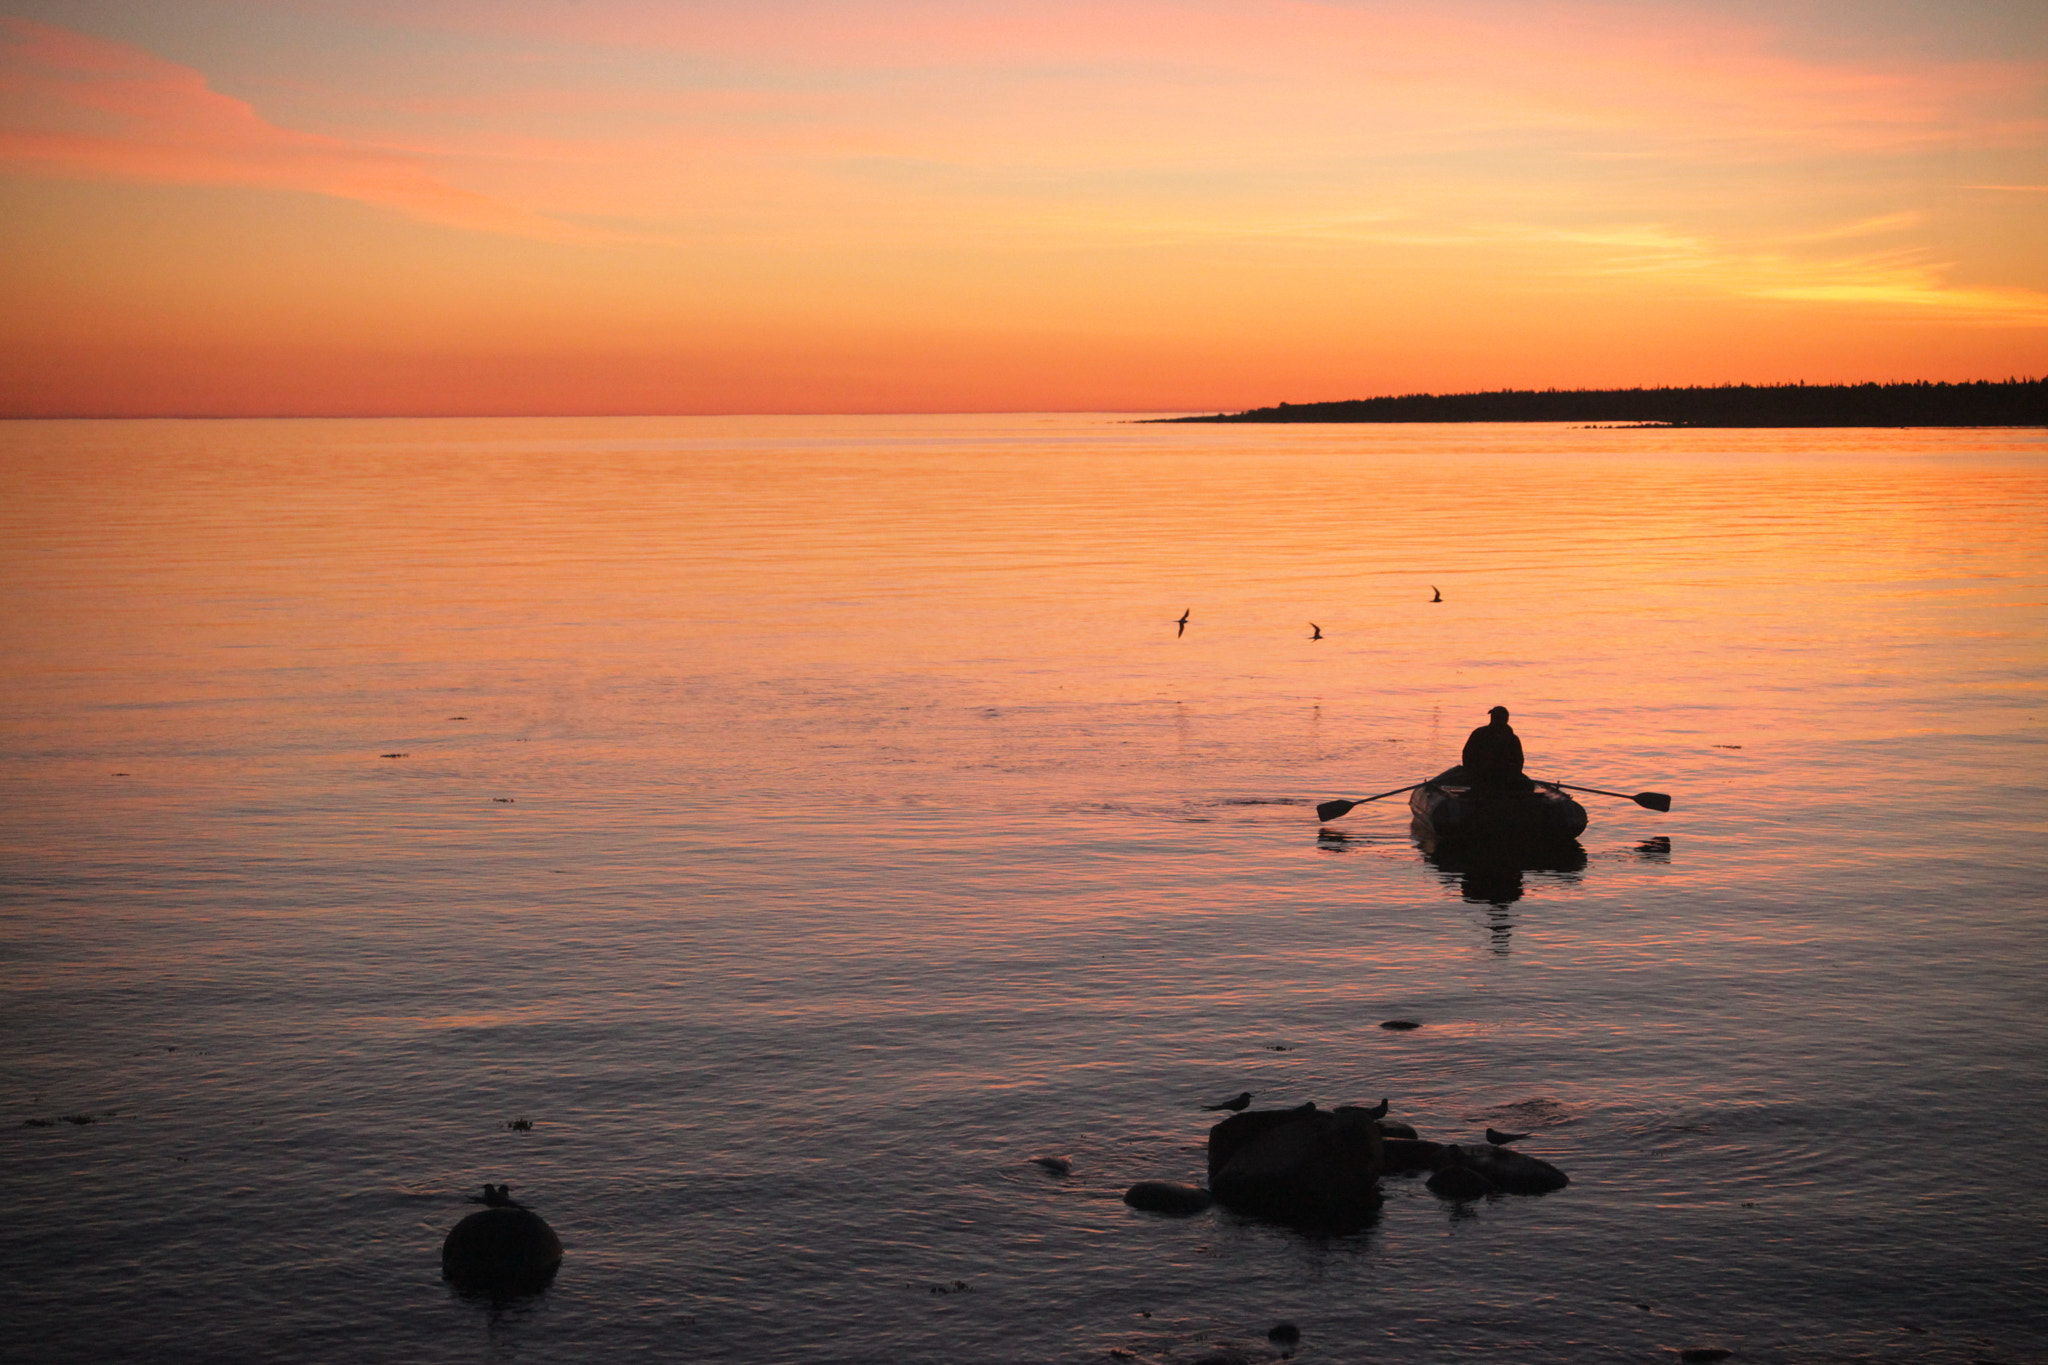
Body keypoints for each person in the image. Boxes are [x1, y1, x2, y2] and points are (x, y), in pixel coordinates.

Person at [1461, 706, 1533, 793]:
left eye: (1498, 717)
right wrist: (1473, 772)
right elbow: (1467, 755)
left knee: (1529, 785)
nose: (1495, 720)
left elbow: (1519, 761)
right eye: (1495, 717)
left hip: (1505, 777)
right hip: (1481, 775)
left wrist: (1512, 774)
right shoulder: (1479, 734)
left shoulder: (1512, 739)